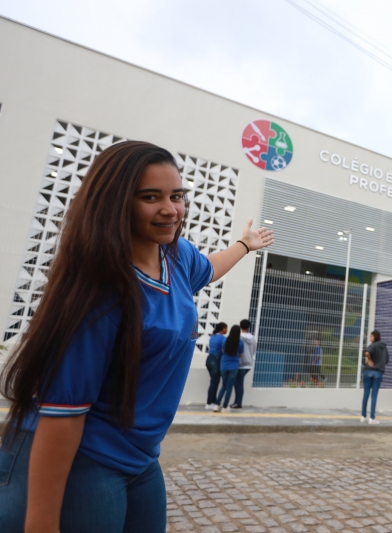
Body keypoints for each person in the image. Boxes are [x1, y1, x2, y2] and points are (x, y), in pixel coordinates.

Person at [0, 140, 273, 533]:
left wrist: (245, 245)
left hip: (141, 457)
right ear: (116, 203)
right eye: (150, 197)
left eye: (176, 196)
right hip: (85, 457)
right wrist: (41, 522)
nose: (171, 209)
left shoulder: (175, 255)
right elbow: (63, 413)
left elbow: (209, 268)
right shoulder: (99, 291)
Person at [215, 325, 244, 412]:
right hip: (234, 366)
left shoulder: (224, 340)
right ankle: (224, 407)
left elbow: (222, 351)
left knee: (224, 385)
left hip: (224, 365)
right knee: (229, 387)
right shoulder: (240, 342)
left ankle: (217, 405)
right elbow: (241, 355)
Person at [362, 330, 389, 424]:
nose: (370, 338)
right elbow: (387, 360)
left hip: (368, 371)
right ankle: (372, 418)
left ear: (375, 337)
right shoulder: (384, 348)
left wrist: (369, 360)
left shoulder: (372, 345)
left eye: (371, 336)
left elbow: (367, 353)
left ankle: (363, 416)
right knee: (374, 395)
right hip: (378, 373)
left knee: (366, 394)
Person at [232, 319, 256, 409]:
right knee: (238, 382)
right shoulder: (253, 338)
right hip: (249, 363)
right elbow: (253, 350)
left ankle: (238, 403)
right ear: (249, 327)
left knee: (238, 383)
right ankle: (237, 402)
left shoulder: (239, 337)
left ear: (240, 326)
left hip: (240, 363)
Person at [205, 322, 227, 410]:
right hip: (217, 359)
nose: (227, 330)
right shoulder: (223, 339)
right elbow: (224, 350)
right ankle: (209, 402)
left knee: (213, 382)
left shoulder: (212, 337)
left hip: (209, 359)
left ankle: (212, 401)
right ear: (223, 329)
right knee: (214, 382)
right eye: (226, 328)